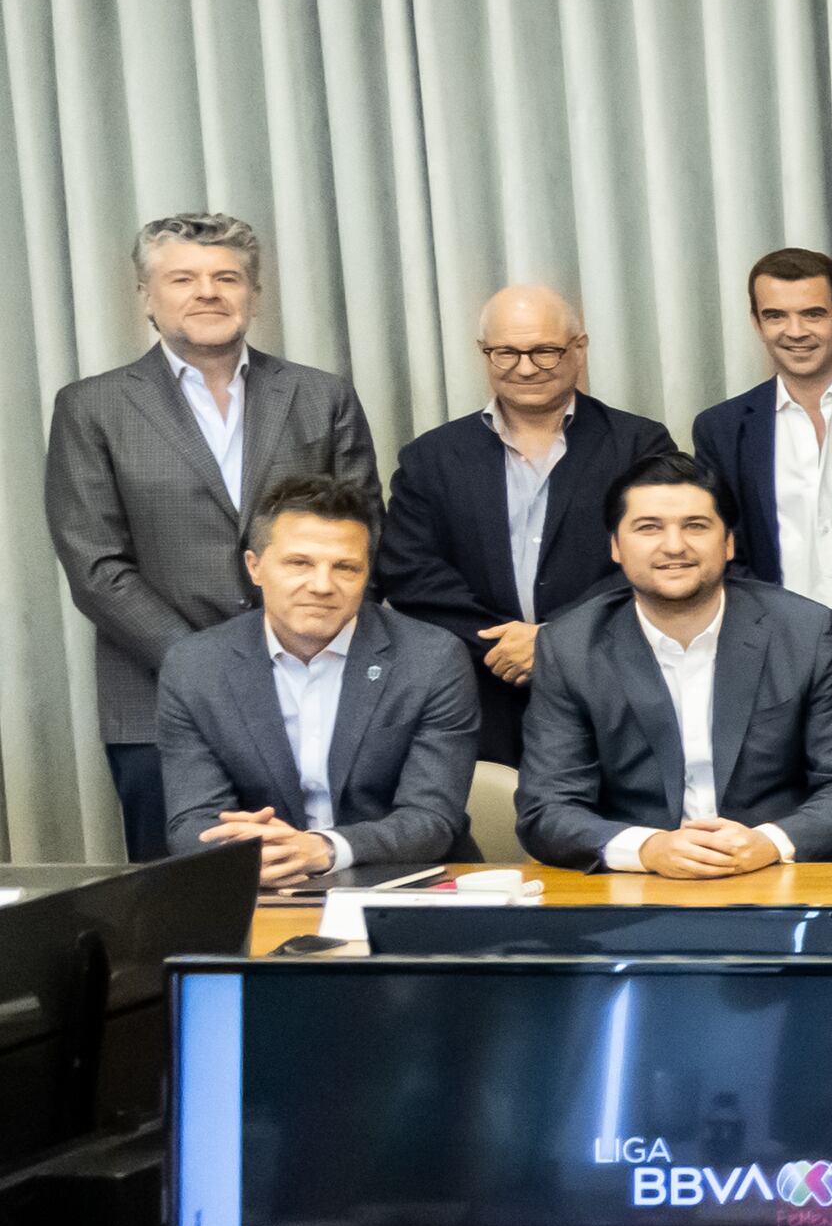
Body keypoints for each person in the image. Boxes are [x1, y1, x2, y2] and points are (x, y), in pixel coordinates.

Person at [48, 211, 380, 854]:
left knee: (319, 877)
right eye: (183, 279)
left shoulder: (322, 396)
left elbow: (364, 539)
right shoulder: (91, 407)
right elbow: (96, 566)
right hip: (157, 695)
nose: (208, 292)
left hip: (317, 687)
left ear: (254, 294)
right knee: (182, 896)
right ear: (146, 297)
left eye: (227, 277)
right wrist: (210, 667)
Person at [513, 448, 832, 874]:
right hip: (643, 885)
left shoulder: (808, 633)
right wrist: (647, 848)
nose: (674, 546)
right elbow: (548, 808)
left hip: (788, 876)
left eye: (696, 526)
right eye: (649, 528)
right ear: (615, 546)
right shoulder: (570, 647)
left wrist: (768, 842)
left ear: (728, 543)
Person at [368, 283, 670, 774]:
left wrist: (552, 642)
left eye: (545, 351)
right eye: (506, 352)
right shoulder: (431, 457)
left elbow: (656, 559)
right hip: (478, 693)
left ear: (579, 348)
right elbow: (411, 573)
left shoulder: (640, 445)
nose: (526, 368)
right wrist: (502, 648)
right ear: (483, 352)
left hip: (608, 683)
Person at [692, 247, 832, 848]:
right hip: (770, 676)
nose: (795, 331)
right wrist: (791, 646)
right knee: (784, 846)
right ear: (756, 323)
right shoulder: (721, 427)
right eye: (776, 315)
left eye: (813, 313)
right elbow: (722, 551)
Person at [149, 471, 473, 877]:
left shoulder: (431, 659)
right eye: (299, 563)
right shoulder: (196, 667)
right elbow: (192, 822)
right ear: (254, 567)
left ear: (367, 574)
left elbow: (432, 819)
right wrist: (261, 855)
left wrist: (324, 849)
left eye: (345, 568)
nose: (322, 585)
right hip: (265, 885)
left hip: (402, 882)